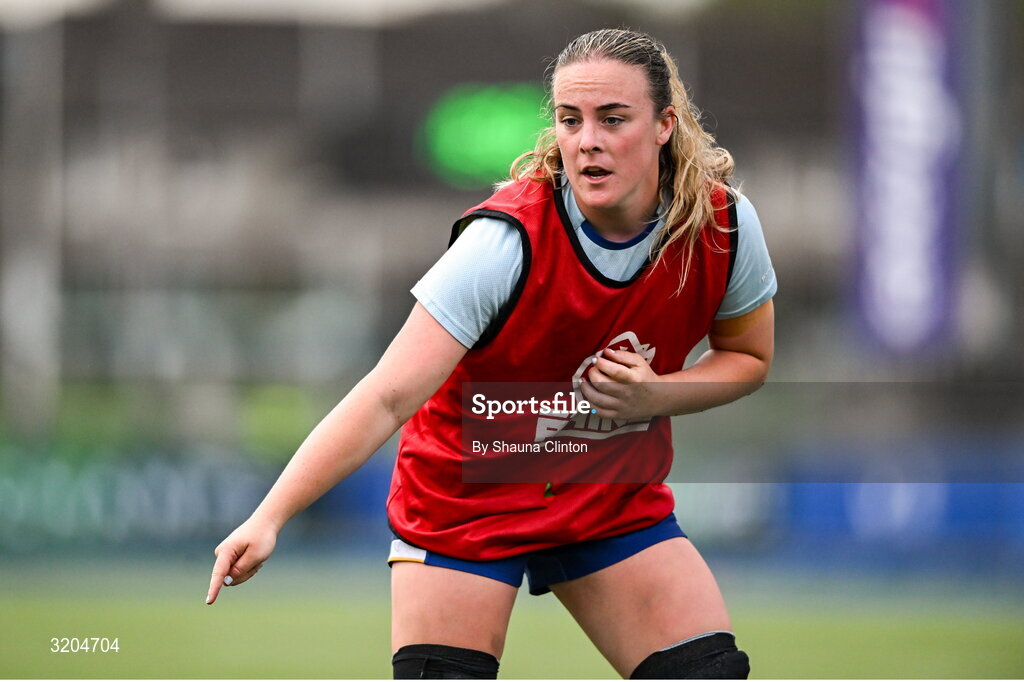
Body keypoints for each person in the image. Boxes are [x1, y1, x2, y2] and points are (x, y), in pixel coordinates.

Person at [206, 28, 775, 680]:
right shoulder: (503, 243)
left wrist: (659, 396)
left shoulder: (723, 226)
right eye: (570, 119)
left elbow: (749, 358)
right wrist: (269, 517)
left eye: (613, 118)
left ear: (664, 125)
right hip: (466, 500)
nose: (588, 138)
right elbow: (388, 396)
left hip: (606, 496)